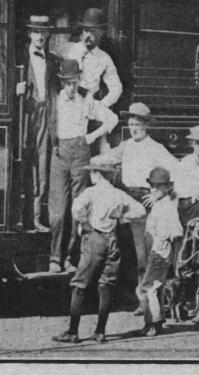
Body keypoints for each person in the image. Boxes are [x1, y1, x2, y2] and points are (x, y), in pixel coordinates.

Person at [53, 155, 146, 344]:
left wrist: (86, 224)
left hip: (95, 239)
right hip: (113, 240)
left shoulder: (91, 192)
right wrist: (120, 216)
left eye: (92, 172)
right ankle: (100, 332)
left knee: (79, 285)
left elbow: (77, 209)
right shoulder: (119, 194)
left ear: (96, 174)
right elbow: (141, 211)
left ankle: (72, 331)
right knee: (106, 285)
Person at [99, 102, 179, 307]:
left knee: (143, 254)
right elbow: (107, 157)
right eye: (131, 124)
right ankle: (135, 297)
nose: (133, 128)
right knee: (128, 253)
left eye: (138, 124)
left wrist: (160, 193)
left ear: (146, 125)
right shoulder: (126, 146)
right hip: (127, 201)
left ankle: (147, 303)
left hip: (144, 202)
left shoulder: (155, 148)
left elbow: (178, 170)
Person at [48, 59, 118, 273]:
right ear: (62, 83)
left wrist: (91, 136)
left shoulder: (86, 101)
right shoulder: (55, 101)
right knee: (58, 210)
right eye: (67, 83)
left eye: (74, 82)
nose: (71, 87)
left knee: (76, 208)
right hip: (59, 154)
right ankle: (54, 257)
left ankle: (70, 257)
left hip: (80, 154)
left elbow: (112, 119)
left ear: (79, 81)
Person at [20, 15, 60, 232]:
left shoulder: (53, 61)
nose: (40, 36)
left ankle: (36, 217)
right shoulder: (18, 59)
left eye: (44, 32)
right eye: (36, 32)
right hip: (25, 116)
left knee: (43, 164)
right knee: (24, 163)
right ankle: (21, 217)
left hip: (46, 115)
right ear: (29, 34)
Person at [137, 167, 183, 337]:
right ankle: (154, 321)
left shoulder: (168, 207)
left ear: (168, 187)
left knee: (147, 288)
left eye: (159, 186)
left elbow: (177, 233)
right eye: (152, 186)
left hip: (160, 251)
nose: (154, 189)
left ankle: (153, 324)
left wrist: (172, 256)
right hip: (156, 249)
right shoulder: (160, 204)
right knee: (154, 287)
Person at [63, 7, 122, 109]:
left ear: (101, 32)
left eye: (93, 31)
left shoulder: (104, 58)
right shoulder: (71, 51)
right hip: (69, 106)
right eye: (86, 30)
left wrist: (101, 106)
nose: (88, 35)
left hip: (90, 107)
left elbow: (116, 88)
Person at [173, 125, 199, 226]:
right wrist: (196, 195)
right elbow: (179, 189)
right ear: (192, 144)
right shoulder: (186, 162)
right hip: (191, 206)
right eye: (198, 143)